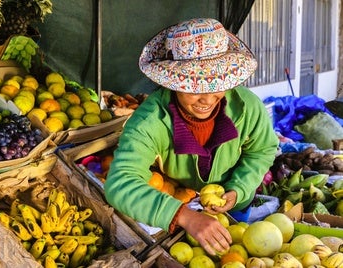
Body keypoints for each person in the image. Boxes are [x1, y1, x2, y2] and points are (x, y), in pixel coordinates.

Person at [104, 18, 278, 255]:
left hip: (234, 204)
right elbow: (120, 183)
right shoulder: (149, 120)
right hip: (175, 205)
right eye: (194, 87)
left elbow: (262, 150)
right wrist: (183, 215)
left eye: (216, 84)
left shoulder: (247, 107)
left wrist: (239, 189)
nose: (207, 99)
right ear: (173, 83)